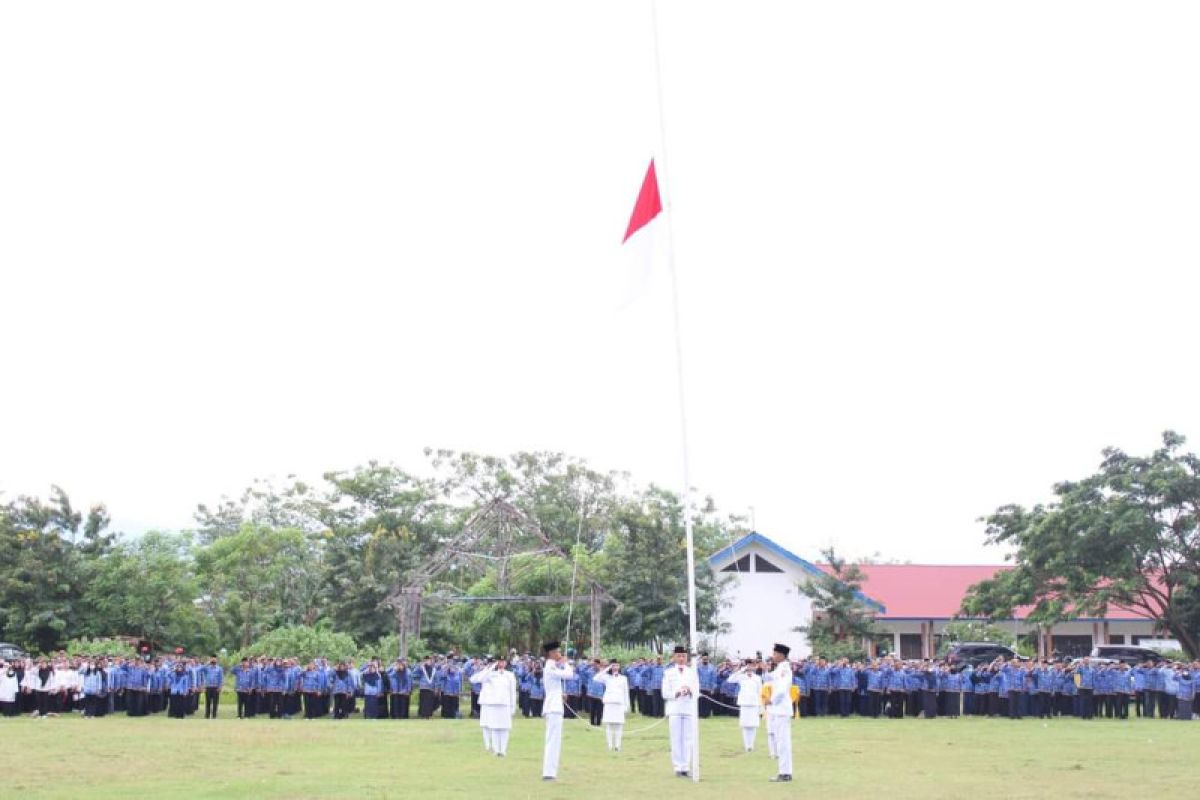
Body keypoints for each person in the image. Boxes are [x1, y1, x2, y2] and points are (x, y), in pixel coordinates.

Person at [661, 645, 699, 778]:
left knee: (688, 738)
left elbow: (697, 691)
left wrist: (689, 690)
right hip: (675, 708)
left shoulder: (692, 672)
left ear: (686, 657)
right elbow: (665, 693)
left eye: (683, 656)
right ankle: (678, 767)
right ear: (674, 657)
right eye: (679, 656)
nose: (681, 658)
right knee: (676, 738)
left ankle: (686, 767)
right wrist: (676, 693)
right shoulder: (668, 672)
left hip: (688, 708)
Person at [470, 656, 517, 756]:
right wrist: (490, 667)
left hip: (505, 704)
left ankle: (503, 750)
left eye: (503, 662)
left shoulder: (510, 675)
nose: (501, 663)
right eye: (499, 662)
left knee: (505, 728)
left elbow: (512, 692)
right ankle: (496, 750)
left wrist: (513, 706)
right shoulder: (490, 674)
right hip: (494, 704)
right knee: (495, 728)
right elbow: (479, 678)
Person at [540, 641, 574, 781]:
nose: (560, 654)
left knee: (555, 740)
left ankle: (551, 771)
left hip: (555, 704)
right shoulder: (550, 667)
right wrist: (566, 663)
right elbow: (569, 674)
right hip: (553, 707)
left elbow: (555, 686)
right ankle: (548, 773)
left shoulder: (552, 666)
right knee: (553, 740)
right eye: (558, 652)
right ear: (551, 653)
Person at [766, 643, 793, 783]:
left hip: (781, 709)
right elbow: (769, 678)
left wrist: (772, 700)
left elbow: (782, 689)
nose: (773, 656)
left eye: (775, 653)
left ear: (782, 655)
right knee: (780, 741)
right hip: (778, 710)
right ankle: (784, 771)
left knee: (783, 742)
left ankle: (785, 773)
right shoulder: (779, 669)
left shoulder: (785, 669)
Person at [595, 660, 631, 751]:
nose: (615, 667)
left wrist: (627, 705)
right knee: (609, 725)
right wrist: (607, 668)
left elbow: (625, 692)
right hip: (609, 703)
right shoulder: (607, 677)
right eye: (613, 665)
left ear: (619, 667)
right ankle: (610, 746)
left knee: (619, 725)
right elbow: (596, 678)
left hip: (619, 703)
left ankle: (618, 746)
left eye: (617, 665)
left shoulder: (623, 678)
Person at [729, 659, 764, 752]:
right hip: (744, 703)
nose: (750, 667)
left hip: (754, 703)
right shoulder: (741, 677)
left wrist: (761, 706)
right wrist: (741, 670)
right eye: (748, 665)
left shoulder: (757, 678)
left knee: (753, 725)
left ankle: (751, 745)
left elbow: (760, 691)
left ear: (754, 667)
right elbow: (730, 679)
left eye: (752, 665)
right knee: (745, 725)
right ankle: (746, 745)